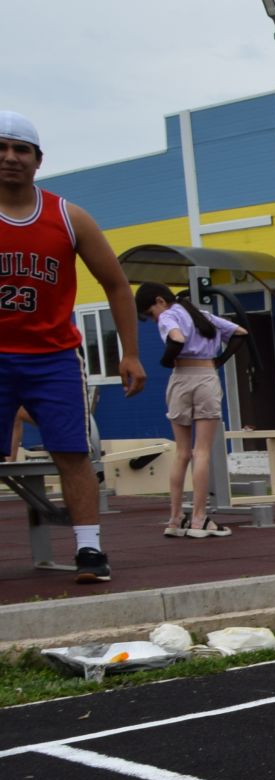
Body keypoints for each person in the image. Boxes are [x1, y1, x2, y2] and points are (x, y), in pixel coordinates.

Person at [0, 111, 146, 582]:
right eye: (2, 148)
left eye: (21, 149)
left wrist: (130, 353)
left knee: (72, 451)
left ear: (38, 159)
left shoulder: (68, 216)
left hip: (53, 356)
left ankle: (89, 552)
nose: (10, 158)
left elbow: (117, 285)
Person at [135, 282, 245, 538]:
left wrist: (164, 360)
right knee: (202, 451)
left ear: (160, 301)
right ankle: (198, 519)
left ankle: (174, 519)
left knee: (182, 452)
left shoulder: (168, 315)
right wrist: (220, 360)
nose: (155, 319)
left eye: (151, 313)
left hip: (180, 378)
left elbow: (176, 338)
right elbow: (240, 333)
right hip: (206, 376)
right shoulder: (203, 316)